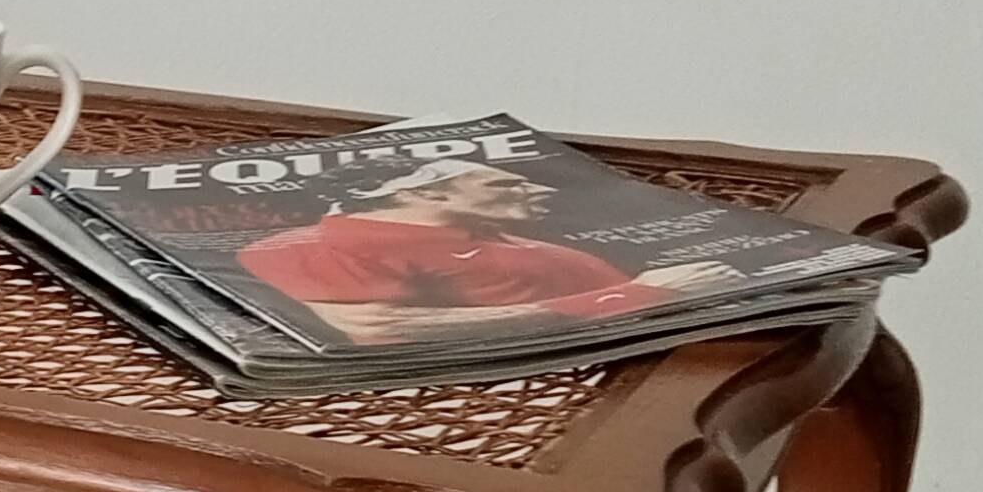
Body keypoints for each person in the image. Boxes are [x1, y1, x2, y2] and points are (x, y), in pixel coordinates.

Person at [236, 159, 739, 346]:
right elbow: (379, 328)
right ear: (427, 192)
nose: (538, 191)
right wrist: (629, 297)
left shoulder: (496, 234)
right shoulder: (315, 245)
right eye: (504, 183)